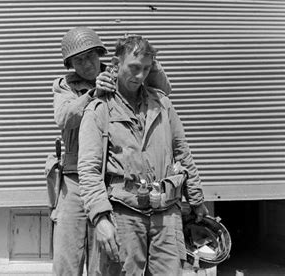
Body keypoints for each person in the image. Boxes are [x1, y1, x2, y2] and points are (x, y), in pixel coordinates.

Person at [77, 35, 208, 275]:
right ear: (116, 64)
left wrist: (197, 199)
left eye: (146, 69)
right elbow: (89, 169)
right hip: (123, 213)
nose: (139, 76)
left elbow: (183, 152)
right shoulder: (99, 109)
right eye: (134, 68)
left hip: (166, 214)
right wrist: (100, 218)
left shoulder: (162, 104)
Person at [51, 27, 171, 276]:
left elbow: (163, 91)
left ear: (99, 54)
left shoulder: (120, 72)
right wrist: (93, 93)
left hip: (106, 182)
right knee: (66, 260)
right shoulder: (66, 86)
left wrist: (147, 57)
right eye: (78, 60)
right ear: (70, 64)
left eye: (90, 56)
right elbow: (63, 118)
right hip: (73, 181)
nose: (86, 64)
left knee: (104, 260)